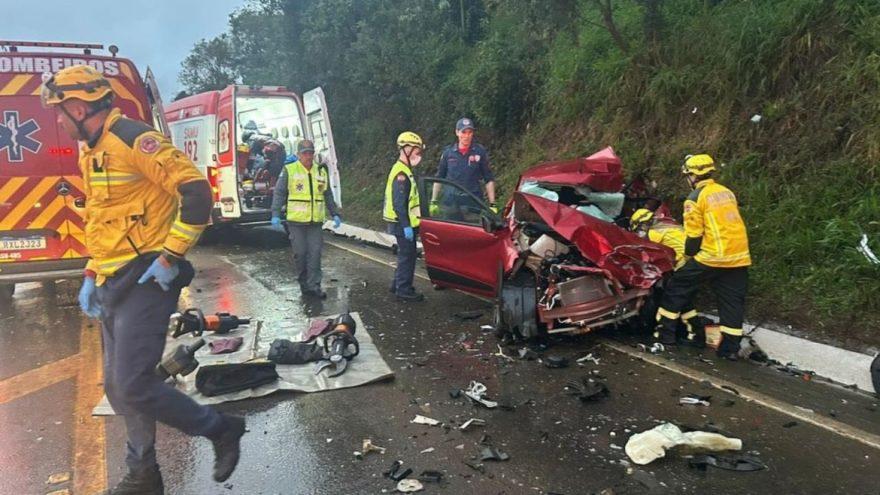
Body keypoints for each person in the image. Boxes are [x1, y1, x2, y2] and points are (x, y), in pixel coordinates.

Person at [41, 65, 245, 494]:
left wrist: (171, 256)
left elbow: (196, 192)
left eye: (60, 110)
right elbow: (102, 217)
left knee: (134, 384)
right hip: (111, 280)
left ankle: (221, 428)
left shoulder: (134, 139)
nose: (58, 119)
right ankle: (144, 475)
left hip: (147, 277)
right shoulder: (91, 150)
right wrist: (91, 271)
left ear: (79, 107)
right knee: (119, 390)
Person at [653, 154, 751, 359]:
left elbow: (694, 236)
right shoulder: (726, 192)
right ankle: (730, 350)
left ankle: (665, 336)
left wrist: (688, 257)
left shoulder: (695, 198)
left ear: (693, 176)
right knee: (732, 302)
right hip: (739, 256)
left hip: (712, 256)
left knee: (676, 286)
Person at [270, 140, 341, 298]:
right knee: (301, 254)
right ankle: (304, 284)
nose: (308, 156)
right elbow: (279, 193)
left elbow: (327, 194)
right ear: (298, 155)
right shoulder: (289, 170)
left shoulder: (320, 171)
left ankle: (314, 286)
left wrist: (335, 213)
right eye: (305, 153)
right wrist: (275, 213)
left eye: (310, 153)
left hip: (315, 221)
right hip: (296, 222)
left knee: (315, 254)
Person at [630, 208, 704, 346]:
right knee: (684, 301)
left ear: (642, 225)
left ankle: (665, 337)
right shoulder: (670, 225)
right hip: (697, 264)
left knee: (670, 300)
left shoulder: (654, 233)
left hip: (683, 267)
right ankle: (697, 335)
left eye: (638, 229)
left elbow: (646, 252)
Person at [384, 131, 425, 302]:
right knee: (408, 256)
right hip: (402, 223)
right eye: (417, 151)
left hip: (403, 223)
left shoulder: (404, 170)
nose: (419, 155)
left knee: (405, 255)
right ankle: (404, 289)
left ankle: (397, 284)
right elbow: (399, 203)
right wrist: (406, 225)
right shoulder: (401, 174)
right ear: (407, 149)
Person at [430, 118, 497, 219]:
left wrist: (492, 204)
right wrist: (433, 200)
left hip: (472, 203)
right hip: (451, 203)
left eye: (470, 132)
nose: (467, 136)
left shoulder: (479, 152)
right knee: (449, 228)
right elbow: (439, 177)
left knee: (472, 228)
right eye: (463, 132)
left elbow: (489, 179)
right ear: (457, 132)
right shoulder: (448, 153)